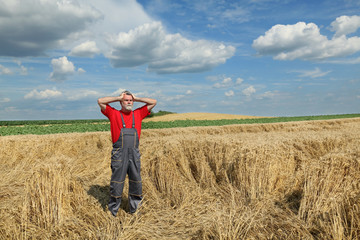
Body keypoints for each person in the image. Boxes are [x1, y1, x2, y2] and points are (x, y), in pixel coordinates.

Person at [97, 90, 157, 216]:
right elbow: (100, 101)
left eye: (130, 100)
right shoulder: (113, 113)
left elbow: (153, 102)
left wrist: (137, 98)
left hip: (134, 153)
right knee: (117, 182)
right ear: (121, 102)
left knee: (136, 180)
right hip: (119, 153)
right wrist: (119, 97)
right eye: (126, 100)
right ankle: (113, 211)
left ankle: (135, 209)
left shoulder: (138, 114)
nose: (129, 102)